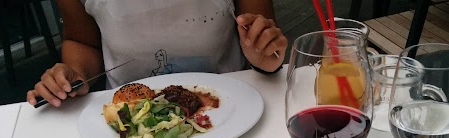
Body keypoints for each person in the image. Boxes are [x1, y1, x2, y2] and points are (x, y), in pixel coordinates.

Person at [27, 0, 288, 107]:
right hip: (129, 119)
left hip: (229, 108)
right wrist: (74, 73)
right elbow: (82, 42)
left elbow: (265, 44)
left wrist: (264, 56)